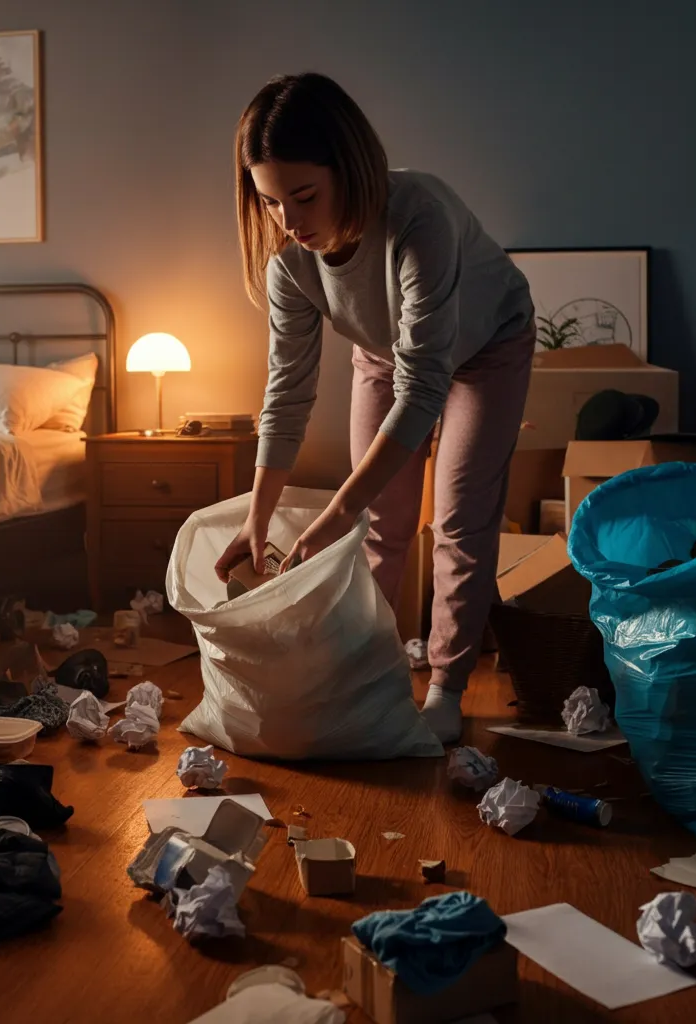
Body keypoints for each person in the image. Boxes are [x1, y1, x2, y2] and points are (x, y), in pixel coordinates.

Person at [215, 72, 534, 743]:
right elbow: (288, 392)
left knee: (458, 516)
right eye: (271, 202)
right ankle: (372, 674)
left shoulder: (421, 217)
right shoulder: (289, 264)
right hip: (387, 355)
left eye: (305, 196)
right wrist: (257, 517)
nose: (291, 222)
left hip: (485, 347)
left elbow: (426, 388)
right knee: (377, 526)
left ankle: (447, 684)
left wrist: (336, 510)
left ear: (350, 170)